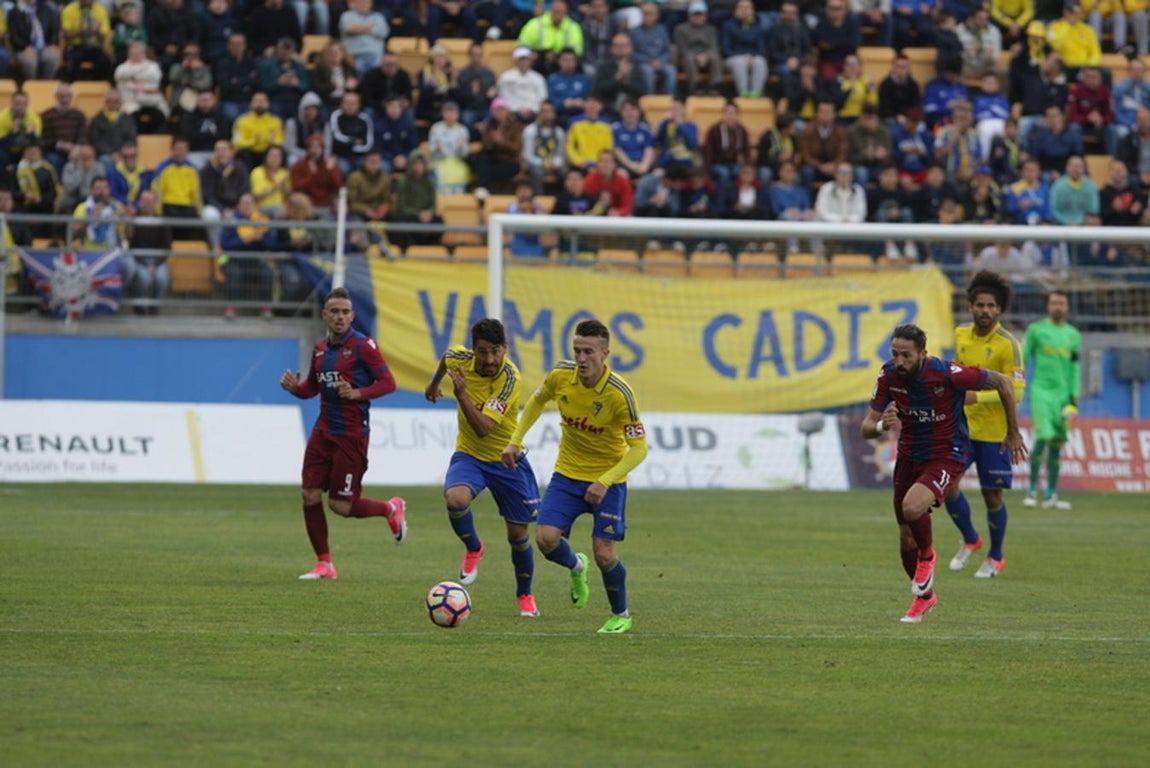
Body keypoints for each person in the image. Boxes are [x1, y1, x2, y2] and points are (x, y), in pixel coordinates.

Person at [861, 323, 1027, 623]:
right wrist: (885, 424)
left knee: (913, 507)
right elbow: (866, 429)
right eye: (895, 354)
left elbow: (1004, 382)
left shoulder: (947, 373)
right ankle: (925, 598)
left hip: (946, 454)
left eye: (906, 355)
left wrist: (1012, 431)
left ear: (923, 353)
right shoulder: (887, 375)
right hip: (910, 456)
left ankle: (929, 556)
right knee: (905, 539)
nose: (900, 361)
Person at [501, 319, 649, 635]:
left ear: (605, 354)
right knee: (545, 539)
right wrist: (516, 439)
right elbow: (538, 401)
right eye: (577, 350)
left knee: (605, 552)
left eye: (589, 352)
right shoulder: (560, 376)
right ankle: (575, 566)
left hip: (607, 480)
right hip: (567, 475)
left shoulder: (619, 394)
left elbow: (639, 449)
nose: (582, 358)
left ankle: (620, 614)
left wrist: (605, 480)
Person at [279, 286, 408, 581]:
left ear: (352, 315)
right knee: (309, 494)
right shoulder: (320, 350)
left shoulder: (364, 346)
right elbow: (312, 388)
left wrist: (358, 393)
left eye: (345, 312)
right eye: (334, 312)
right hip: (323, 432)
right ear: (325, 315)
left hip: (351, 436)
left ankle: (391, 508)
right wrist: (295, 389)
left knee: (341, 506)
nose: (339, 317)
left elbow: (388, 383)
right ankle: (324, 563)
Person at [424, 319, 542, 617]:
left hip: (507, 460)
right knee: (456, 499)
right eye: (482, 352)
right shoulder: (458, 358)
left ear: (505, 348)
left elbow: (485, 429)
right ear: (473, 350)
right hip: (470, 456)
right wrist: (434, 383)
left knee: (518, 536)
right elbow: (446, 359)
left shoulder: (509, 379)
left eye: (495, 351)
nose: (489, 359)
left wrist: (460, 394)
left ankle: (525, 595)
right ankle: (474, 547)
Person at [944, 271, 1027, 580]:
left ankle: (995, 555)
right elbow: (955, 374)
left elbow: (1016, 392)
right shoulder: (961, 334)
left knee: (992, 497)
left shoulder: (1009, 345)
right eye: (980, 305)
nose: (986, 311)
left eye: (992, 306)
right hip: (962, 427)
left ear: (1000, 309)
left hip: (995, 433)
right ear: (971, 306)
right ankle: (970, 537)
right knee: (946, 485)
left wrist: (975, 399)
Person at [1022, 290, 1081, 510]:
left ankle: (1051, 495)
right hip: (1041, 392)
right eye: (1054, 302)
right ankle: (1031, 490)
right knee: (1044, 434)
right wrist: (1016, 381)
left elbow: (1075, 369)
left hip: (1064, 396)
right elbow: (1023, 357)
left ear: (1067, 307)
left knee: (1058, 441)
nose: (1058, 306)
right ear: (1048, 306)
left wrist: (1073, 398)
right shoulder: (1036, 330)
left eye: (1062, 302)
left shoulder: (1073, 335)